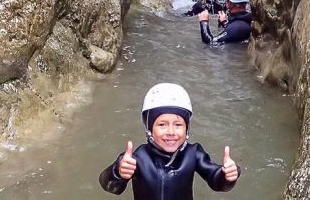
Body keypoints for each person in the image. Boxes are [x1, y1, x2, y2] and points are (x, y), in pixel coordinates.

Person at [99, 83, 240, 200]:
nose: (171, 132)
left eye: (178, 125)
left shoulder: (193, 153)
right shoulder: (138, 157)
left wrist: (226, 175)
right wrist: (118, 171)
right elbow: (110, 186)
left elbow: (215, 180)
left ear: (187, 129)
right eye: (162, 125)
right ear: (149, 129)